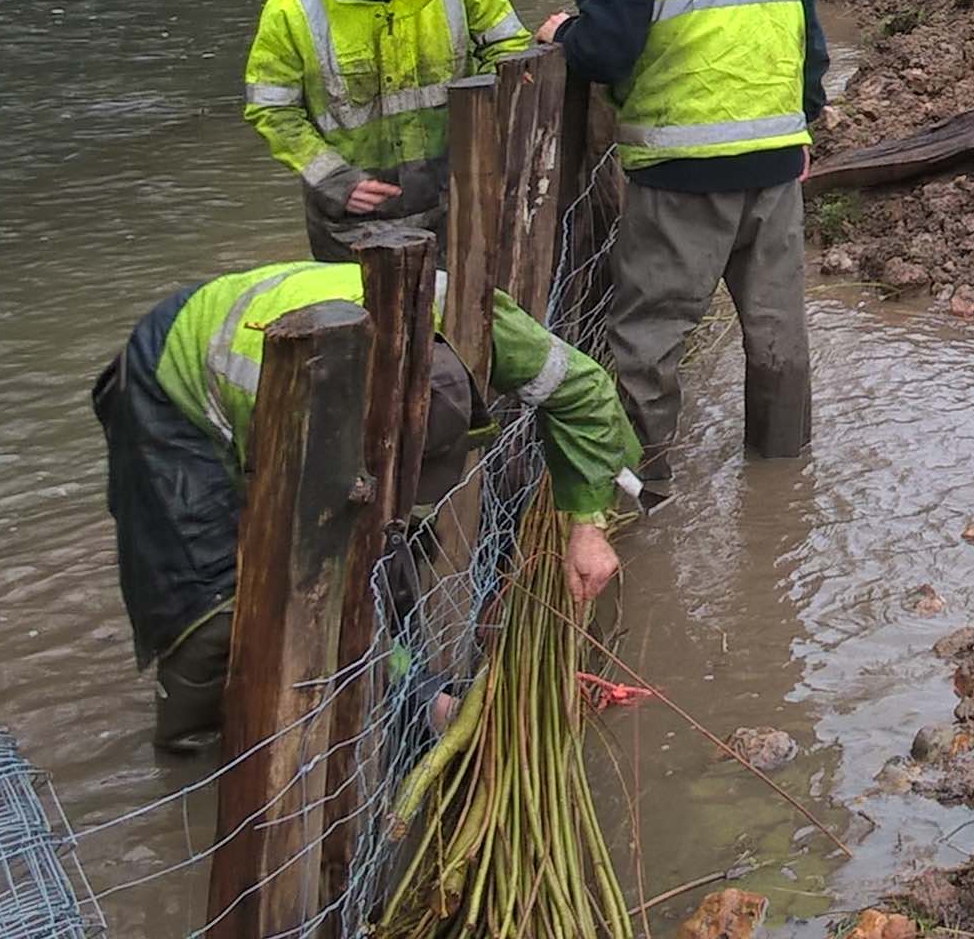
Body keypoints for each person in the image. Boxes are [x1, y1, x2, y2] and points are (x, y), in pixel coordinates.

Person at [89, 261, 637, 750]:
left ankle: (394, 694)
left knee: (404, 541)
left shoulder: (468, 316)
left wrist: (588, 526)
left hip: (277, 330)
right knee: (211, 606)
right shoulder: (300, 421)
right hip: (177, 380)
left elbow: (584, 392)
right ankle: (195, 745)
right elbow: (326, 583)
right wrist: (421, 699)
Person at [534, 0, 825, 503]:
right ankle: (781, 478)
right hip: (777, 158)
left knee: (650, 336)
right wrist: (803, 126)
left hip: (681, 167)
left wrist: (558, 36)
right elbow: (807, 45)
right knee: (778, 328)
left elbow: (605, 49)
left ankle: (644, 486)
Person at [243, 0, 528, 261]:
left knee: (458, 314)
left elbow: (509, 49)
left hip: (454, 197)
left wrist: (485, 140)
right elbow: (272, 110)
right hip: (352, 219)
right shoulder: (295, 4)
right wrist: (334, 179)